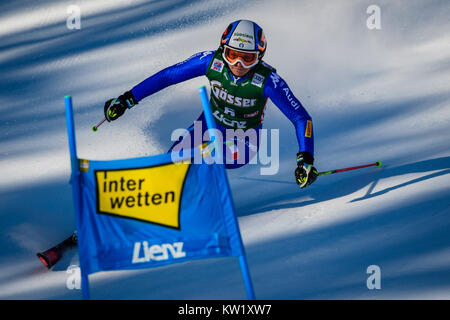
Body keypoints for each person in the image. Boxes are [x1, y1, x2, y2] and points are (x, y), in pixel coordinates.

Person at [103, 19, 318, 188]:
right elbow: (169, 76)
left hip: (243, 140)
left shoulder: (269, 81)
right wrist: (128, 98)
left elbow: (301, 118)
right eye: (232, 55)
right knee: (173, 161)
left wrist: (305, 158)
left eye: (248, 58)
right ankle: (151, 199)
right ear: (222, 49)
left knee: (201, 160)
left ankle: (186, 204)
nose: (238, 64)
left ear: (259, 57)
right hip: (208, 125)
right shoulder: (211, 62)